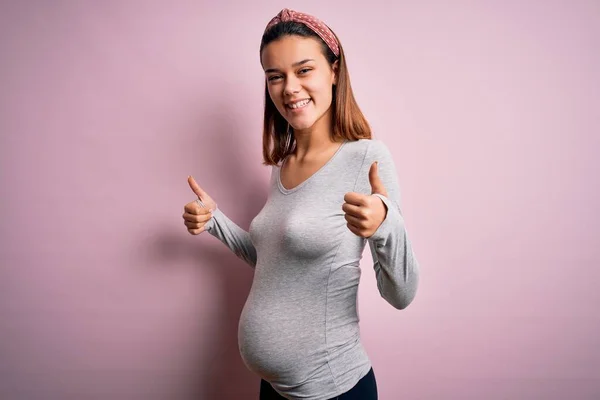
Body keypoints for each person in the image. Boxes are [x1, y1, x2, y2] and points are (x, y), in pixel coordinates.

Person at [182, 8, 420, 400]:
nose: (289, 87)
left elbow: (402, 294)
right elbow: (277, 261)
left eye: (304, 70)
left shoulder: (367, 158)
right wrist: (214, 221)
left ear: (334, 71)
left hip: (333, 390)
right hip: (276, 389)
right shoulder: (282, 167)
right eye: (275, 76)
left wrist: (385, 224)